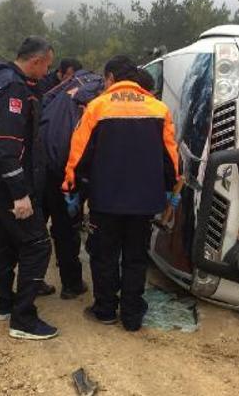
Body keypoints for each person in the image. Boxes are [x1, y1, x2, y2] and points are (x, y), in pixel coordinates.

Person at [62, 55, 180, 331]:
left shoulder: (96, 107)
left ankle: (105, 310)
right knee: (136, 257)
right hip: (144, 203)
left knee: (104, 256)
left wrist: (70, 188)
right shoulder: (158, 108)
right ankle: (132, 315)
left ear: (111, 78)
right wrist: (169, 190)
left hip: (106, 200)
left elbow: (78, 155)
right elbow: (171, 159)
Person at [0, 36, 58, 340]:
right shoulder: (13, 89)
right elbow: (7, 146)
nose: (47, 71)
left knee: (4, 240)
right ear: (36, 60)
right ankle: (23, 318)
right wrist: (20, 192)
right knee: (37, 244)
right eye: (47, 64)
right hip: (7, 183)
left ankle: (5, 303)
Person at [39, 63, 104, 299]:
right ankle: (71, 283)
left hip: (44, 165)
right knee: (67, 228)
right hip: (69, 170)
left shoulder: (62, 89)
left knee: (39, 227)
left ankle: (33, 281)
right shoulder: (96, 91)